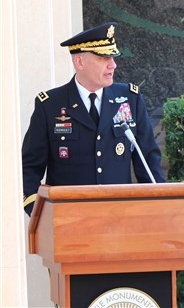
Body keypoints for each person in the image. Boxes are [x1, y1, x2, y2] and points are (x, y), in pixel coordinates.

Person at [22, 22, 166, 215]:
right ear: (79, 62)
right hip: (69, 221)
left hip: (120, 218)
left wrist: (161, 207)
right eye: (103, 57)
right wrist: (39, 213)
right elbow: (30, 167)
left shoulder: (129, 99)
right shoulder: (50, 105)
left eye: (113, 57)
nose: (112, 64)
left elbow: (148, 158)